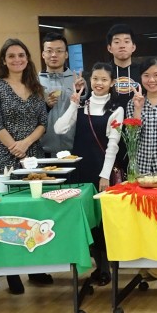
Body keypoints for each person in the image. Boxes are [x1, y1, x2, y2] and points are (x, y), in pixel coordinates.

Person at [0, 38, 50, 292]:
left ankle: (37, 268)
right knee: (8, 216)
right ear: (4, 60)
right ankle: (11, 272)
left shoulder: (36, 86)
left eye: (21, 55)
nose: (17, 60)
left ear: (28, 58)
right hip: (5, 156)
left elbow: (43, 122)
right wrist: (15, 146)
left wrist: (25, 144)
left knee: (34, 212)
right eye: (11, 56)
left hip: (33, 154)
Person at [53, 62, 124, 285]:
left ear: (112, 83)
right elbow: (59, 129)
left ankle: (105, 268)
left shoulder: (116, 110)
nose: (99, 83)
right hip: (80, 170)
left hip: (101, 170)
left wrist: (104, 176)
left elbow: (113, 146)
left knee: (102, 220)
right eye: (95, 79)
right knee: (85, 219)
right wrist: (73, 104)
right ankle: (96, 263)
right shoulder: (81, 105)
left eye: (104, 79)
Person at [38, 32, 79, 157]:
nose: (54, 55)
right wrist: (45, 106)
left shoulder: (77, 80)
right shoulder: (34, 82)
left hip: (74, 151)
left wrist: (82, 94)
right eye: (49, 51)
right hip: (43, 151)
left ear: (66, 54)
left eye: (59, 51)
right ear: (43, 54)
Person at [106, 23, 143, 107]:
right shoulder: (104, 72)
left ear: (133, 47)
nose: (122, 46)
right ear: (109, 48)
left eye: (126, 41)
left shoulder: (143, 71)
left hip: (138, 118)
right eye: (117, 42)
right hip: (110, 118)